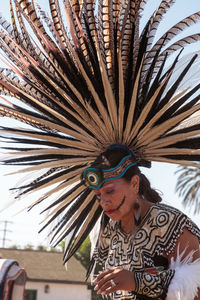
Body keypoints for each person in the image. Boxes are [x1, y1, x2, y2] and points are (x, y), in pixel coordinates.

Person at [82, 144, 200, 300]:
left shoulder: (169, 223)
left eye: (110, 191)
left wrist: (137, 282)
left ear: (134, 183)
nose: (103, 201)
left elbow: (197, 286)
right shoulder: (108, 232)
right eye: (98, 195)